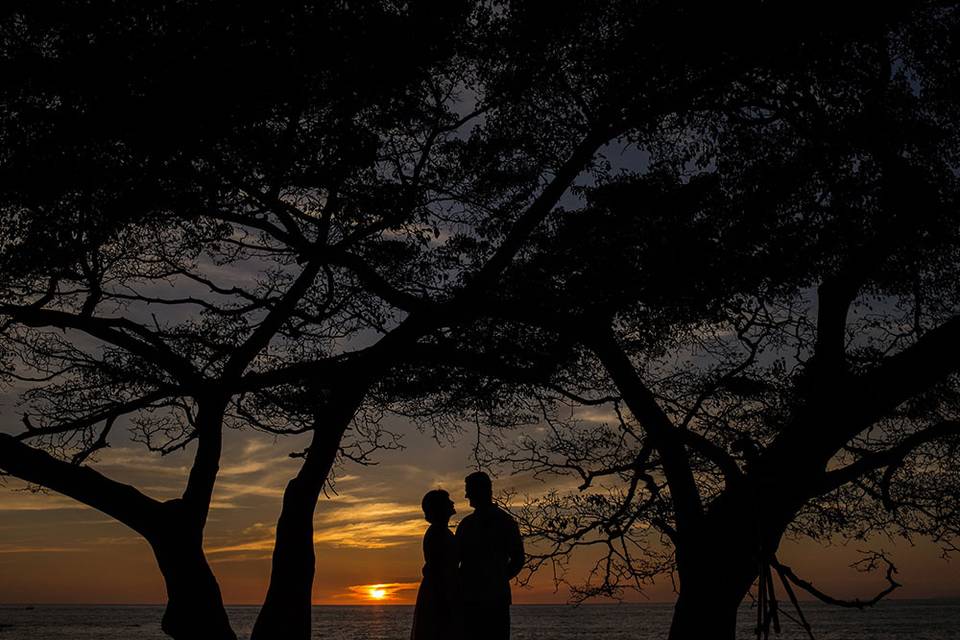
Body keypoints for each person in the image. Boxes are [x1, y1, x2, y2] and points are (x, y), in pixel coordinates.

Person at [455, 471, 525, 640]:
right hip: (475, 599)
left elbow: (518, 559)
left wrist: (497, 577)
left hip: (489, 600)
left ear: (481, 490)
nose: (466, 495)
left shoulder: (500, 522)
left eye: (469, 490)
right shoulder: (468, 524)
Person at [411, 489, 462, 640]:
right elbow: (441, 566)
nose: (452, 503)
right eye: (448, 501)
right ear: (439, 507)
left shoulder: (441, 532)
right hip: (440, 592)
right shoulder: (437, 533)